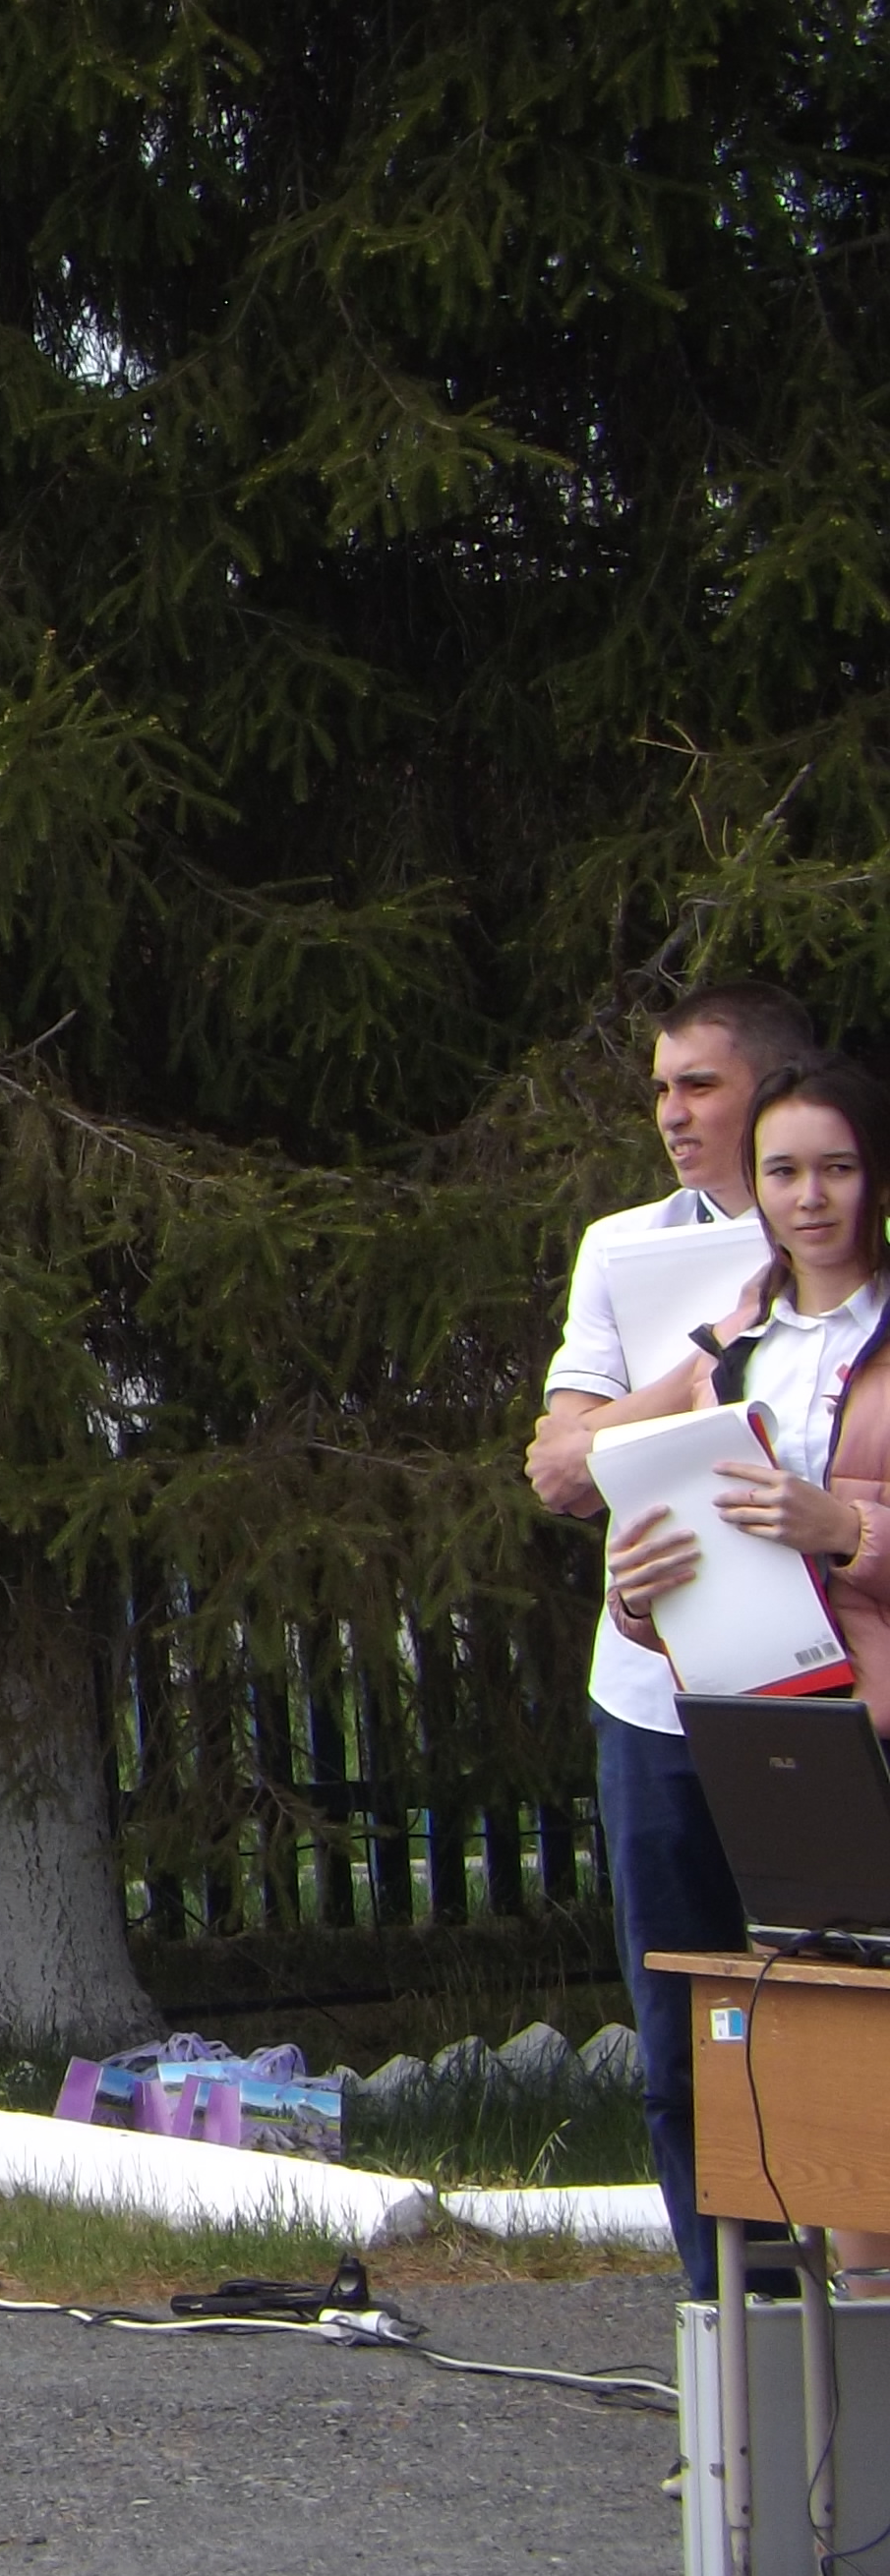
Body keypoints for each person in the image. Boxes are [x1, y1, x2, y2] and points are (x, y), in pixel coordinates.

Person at [522, 980, 815, 2298]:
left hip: (819, 1681)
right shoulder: (625, 1248)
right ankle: (732, 2328)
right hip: (653, 1687)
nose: (672, 1114)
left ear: (774, 1088)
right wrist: (702, 1370)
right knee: (684, 2029)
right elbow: (560, 1469)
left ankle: (855, 2310)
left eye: (699, 1085)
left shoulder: (842, 1241)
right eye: (659, 1089)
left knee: (832, 2002)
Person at [595, 1052, 890, 2301]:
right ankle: (839, 2373)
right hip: (773, 1734)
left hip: (880, 1720)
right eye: (783, 1172)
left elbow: (831, 1533)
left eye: (836, 1168)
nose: (809, 1198)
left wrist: (849, 1528)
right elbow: (673, 1545)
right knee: (829, 2052)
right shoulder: (730, 1355)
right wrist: (640, 1593)